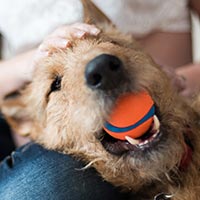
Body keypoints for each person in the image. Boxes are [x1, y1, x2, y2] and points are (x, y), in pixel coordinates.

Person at [0, 0, 199, 199]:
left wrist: (175, 80)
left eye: (111, 44)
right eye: (56, 84)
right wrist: (26, 64)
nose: (101, 66)